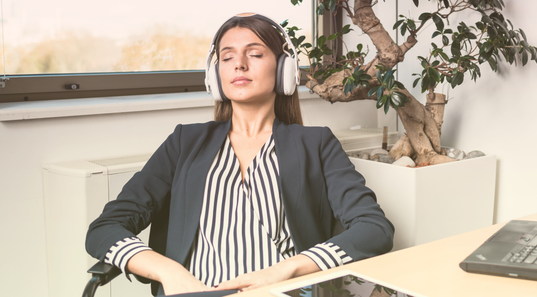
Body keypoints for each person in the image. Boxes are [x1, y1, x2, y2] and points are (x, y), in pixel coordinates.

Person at [85, 13, 394, 296]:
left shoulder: (316, 143)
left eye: (255, 54)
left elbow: (374, 229)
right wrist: (169, 272)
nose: (239, 64)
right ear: (214, 73)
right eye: (227, 56)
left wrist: (286, 270)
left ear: (284, 68)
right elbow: (105, 228)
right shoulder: (184, 142)